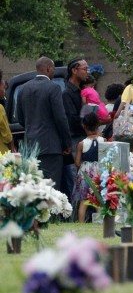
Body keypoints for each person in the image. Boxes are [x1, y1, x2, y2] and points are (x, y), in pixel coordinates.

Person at [17, 57, 71, 190]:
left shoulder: (23, 88)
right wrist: (67, 142)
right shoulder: (54, 88)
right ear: (48, 68)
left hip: (30, 146)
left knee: (34, 188)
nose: (53, 72)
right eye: (53, 69)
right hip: (51, 147)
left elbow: (20, 118)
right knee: (51, 189)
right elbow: (60, 118)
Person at [62, 57, 89, 207]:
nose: (87, 72)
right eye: (84, 69)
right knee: (76, 175)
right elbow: (72, 119)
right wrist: (87, 120)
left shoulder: (81, 91)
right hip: (75, 138)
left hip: (83, 136)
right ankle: (75, 211)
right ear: (74, 70)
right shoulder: (67, 93)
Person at [74, 112, 104, 223]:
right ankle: (100, 221)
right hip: (99, 172)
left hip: (85, 174)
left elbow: (77, 162)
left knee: (84, 200)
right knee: (98, 198)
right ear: (98, 125)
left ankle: (81, 224)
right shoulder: (103, 141)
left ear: (83, 126)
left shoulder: (82, 143)